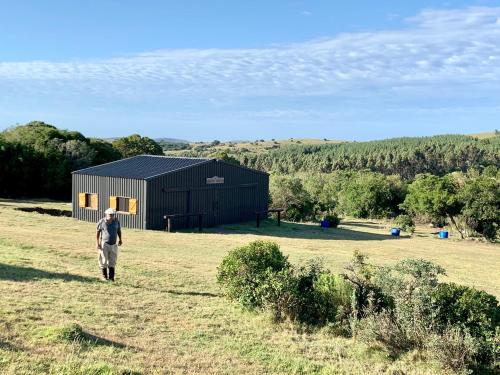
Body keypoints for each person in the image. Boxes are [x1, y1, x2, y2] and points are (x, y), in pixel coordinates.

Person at [96, 208, 122, 281]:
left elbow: (118, 230)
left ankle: (111, 278)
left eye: (113, 215)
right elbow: (98, 232)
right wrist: (97, 243)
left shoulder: (116, 221)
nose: (111, 216)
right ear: (106, 215)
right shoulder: (101, 222)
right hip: (104, 244)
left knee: (113, 261)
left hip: (113, 244)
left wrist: (120, 239)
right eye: (110, 215)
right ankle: (104, 277)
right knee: (104, 260)